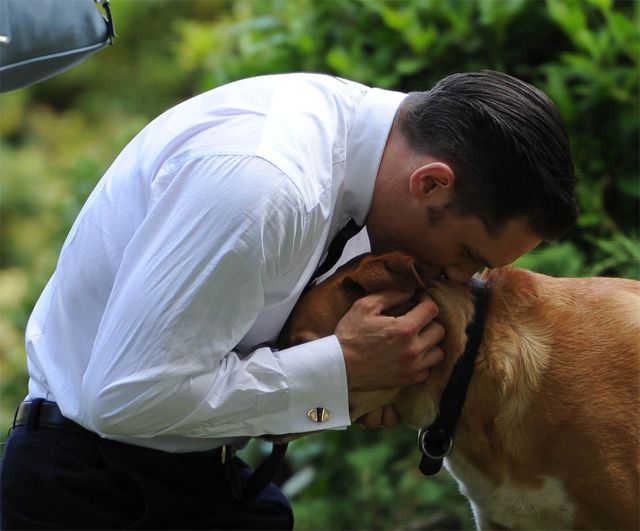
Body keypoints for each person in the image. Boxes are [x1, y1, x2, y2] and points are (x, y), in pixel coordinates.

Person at [0, 70, 576, 529]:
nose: (456, 277)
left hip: (201, 479)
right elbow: (123, 398)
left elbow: (227, 355)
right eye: (466, 255)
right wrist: (338, 374)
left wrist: (348, 391)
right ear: (430, 183)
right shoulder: (264, 181)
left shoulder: (350, 151)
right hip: (92, 494)